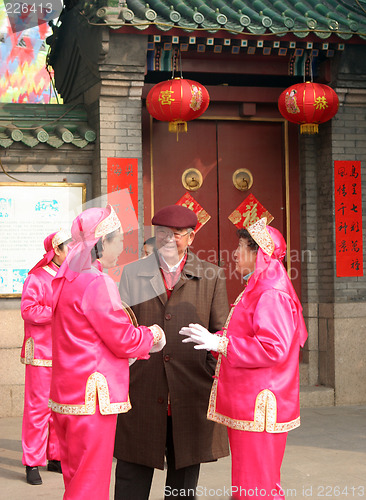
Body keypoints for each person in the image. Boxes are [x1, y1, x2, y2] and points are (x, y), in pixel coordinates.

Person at [180, 217, 308, 499]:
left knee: (256, 486)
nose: (235, 254)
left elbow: (273, 348)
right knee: (249, 483)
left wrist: (220, 343)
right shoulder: (259, 288)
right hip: (253, 403)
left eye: (241, 247)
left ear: (259, 253)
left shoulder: (271, 294)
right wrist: (213, 342)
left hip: (260, 405)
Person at [48, 205, 166, 500]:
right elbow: (122, 338)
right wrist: (151, 334)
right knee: (90, 479)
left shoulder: (66, 279)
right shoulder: (97, 282)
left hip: (68, 391)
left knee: (76, 475)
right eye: (118, 239)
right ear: (102, 243)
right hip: (93, 395)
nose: (122, 245)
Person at [114, 204, 230, 500]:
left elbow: (220, 332)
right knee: (131, 479)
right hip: (142, 388)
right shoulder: (133, 273)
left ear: (191, 238)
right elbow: (121, 328)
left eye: (177, 234)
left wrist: (207, 370)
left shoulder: (211, 275)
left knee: (182, 486)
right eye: (163, 233)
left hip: (190, 391)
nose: (169, 239)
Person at [20, 229, 71, 485]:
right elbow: (28, 311)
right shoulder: (37, 278)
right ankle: (32, 461)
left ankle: (56, 455)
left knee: (60, 408)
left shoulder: (72, 277)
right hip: (41, 351)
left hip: (66, 352)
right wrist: (58, 312)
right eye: (67, 247)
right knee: (37, 408)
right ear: (56, 251)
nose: (72, 251)